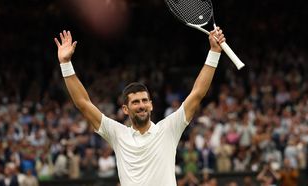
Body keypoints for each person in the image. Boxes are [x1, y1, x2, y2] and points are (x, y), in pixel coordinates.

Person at [53, 27, 226, 186]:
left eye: (144, 100)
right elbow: (83, 104)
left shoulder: (168, 129)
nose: (141, 105)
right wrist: (66, 64)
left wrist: (214, 52)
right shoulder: (117, 134)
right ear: (125, 109)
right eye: (135, 102)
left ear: (151, 105)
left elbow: (197, 94)